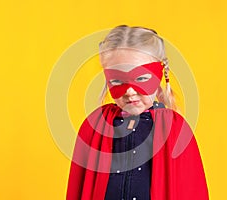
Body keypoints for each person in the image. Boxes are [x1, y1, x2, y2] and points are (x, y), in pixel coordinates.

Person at [66, 25, 209, 200]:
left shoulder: (175, 129)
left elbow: (190, 190)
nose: (130, 92)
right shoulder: (96, 126)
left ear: (161, 73)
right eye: (117, 80)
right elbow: (80, 189)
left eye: (141, 78)